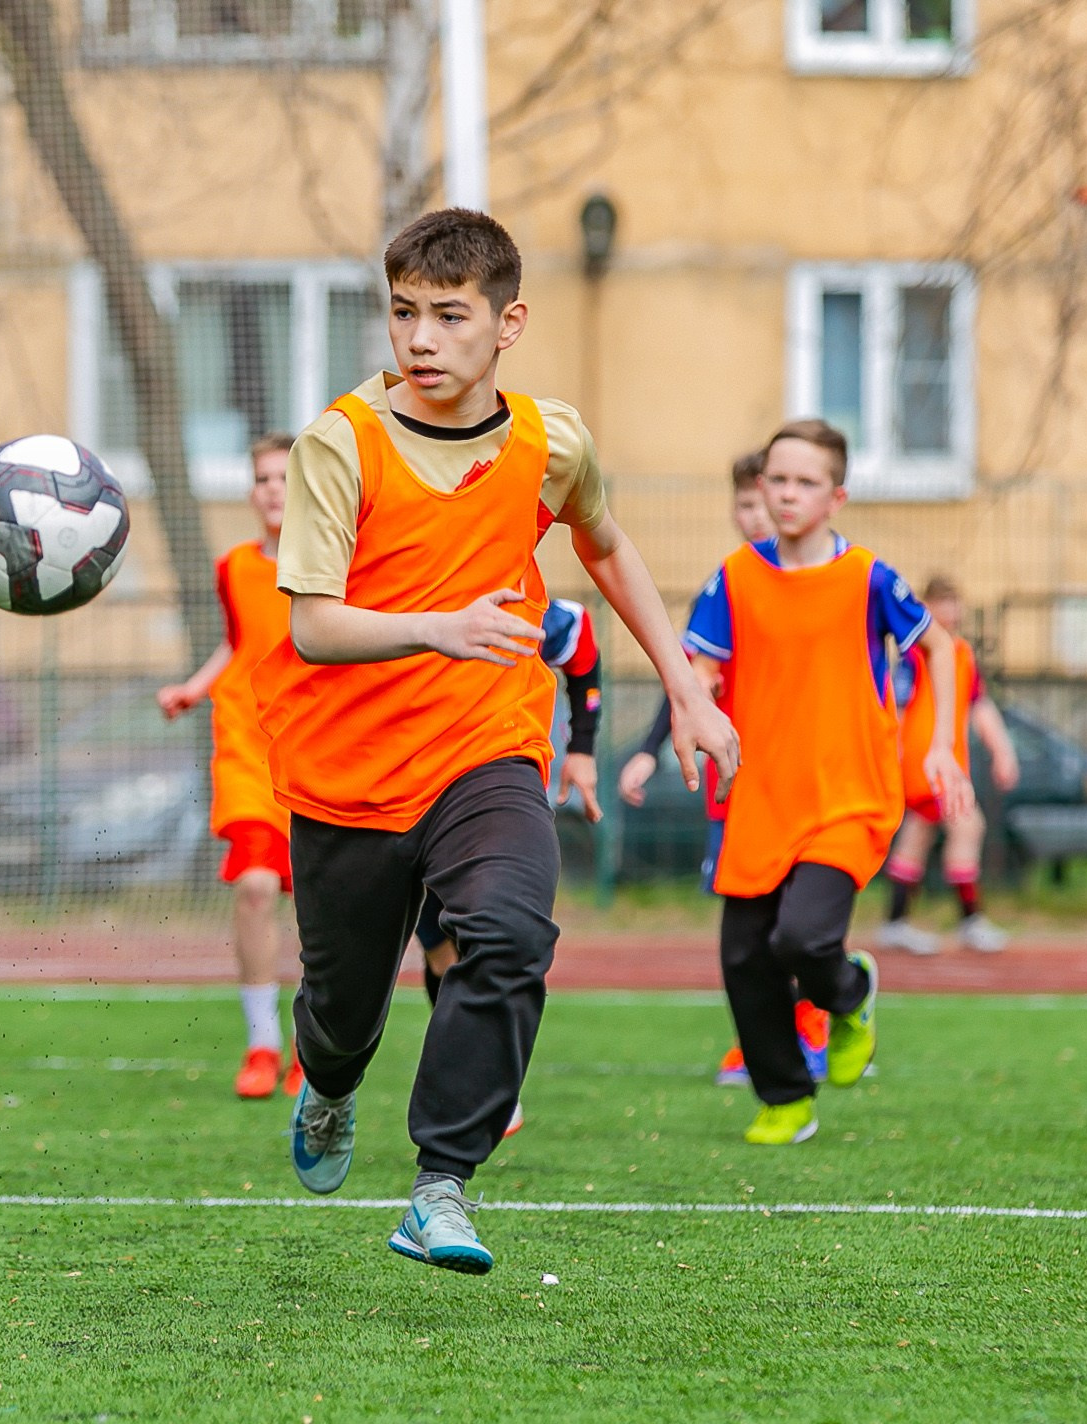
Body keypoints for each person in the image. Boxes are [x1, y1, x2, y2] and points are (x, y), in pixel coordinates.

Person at [256, 208, 738, 1274]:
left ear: (506, 322)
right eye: (402, 313)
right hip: (349, 778)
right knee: (340, 1013)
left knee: (510, 934)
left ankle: (440, 1184)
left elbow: (607, 551)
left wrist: (687, 690)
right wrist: (436, 626)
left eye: (447, 316)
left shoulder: (549, 441)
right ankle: (329, 1088)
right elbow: (311, 623)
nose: (419, 338)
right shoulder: (339, 443)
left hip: (487, 750)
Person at [684, 419, 973, 1147]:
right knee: (743, 958)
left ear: (836, 495)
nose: (787, 494)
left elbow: (939, 649)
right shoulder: (734, 576)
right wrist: (694, 714)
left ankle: (853, 993)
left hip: (849, 796)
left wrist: (941, 744)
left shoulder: (868, 576)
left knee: (805, 939)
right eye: (776, 480)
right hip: (761, 796)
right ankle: (786, 1097)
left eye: (805, 482)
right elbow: (701, 668)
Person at [617, 452, 829, 1088]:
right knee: (750, 930)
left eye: (761, 504)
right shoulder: (729, 585)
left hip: (799, 784)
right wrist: (650, 746)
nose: (754, 516)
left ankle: (814, 1025)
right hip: (735, 787)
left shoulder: (821, 583)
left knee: (795, 924)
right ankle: (764, 1040)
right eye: (744, 505)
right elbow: (688, 677)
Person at [410, 594, 605, 1138]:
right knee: (441, 949)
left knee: (498, 932)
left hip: (493, 793)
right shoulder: (390, 593)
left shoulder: (523, 600)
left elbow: (582, 640)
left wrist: (583, 748)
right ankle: (475, 1060)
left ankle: (489, 1080)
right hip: (403, 793)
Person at [157, 433, 304, 1100]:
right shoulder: (234, 566)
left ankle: (315, 1042)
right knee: (253, 887)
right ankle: (262, 1042)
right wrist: (194, 686)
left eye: (285, 476)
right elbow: (239, 642)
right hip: (245, 749)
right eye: (263, 478)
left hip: (316, 755)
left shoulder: (336, 563)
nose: (273, 488)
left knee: (324, 915)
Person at [877, 574, 1021, 956]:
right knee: (968, 825)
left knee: (918, 835)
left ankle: (895, 921)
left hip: (946, 763)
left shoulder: (961, 653)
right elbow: (899, 706)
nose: (951, 610)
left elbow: (979, 705)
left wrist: (1002, 750)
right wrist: (894, 755)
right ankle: (971, 920)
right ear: (925, 607)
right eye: (943, 602)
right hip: (926, 763)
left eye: (955, 602)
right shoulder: (915, 653)